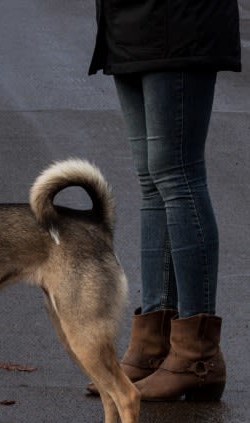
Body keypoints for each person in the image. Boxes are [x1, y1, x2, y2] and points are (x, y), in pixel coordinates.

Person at [87, 0, 242, 401]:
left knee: (177, 175)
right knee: (152, 181)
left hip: (179, 22)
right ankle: (153, 346)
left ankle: (197, 354)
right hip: (129, 26)